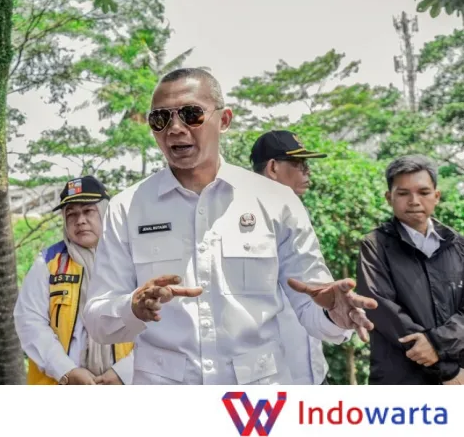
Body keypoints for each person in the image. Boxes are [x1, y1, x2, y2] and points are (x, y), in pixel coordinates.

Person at [83, 68, 376, 385]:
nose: (175, 128)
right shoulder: (126, 208)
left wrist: (334, 312)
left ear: (224, 120)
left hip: (256, 399)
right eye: (160, 119)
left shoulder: (276, 201)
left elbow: (311, 305)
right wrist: (133, 306)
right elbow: (98, 321)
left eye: (191, 114)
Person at [15, 175, 134, 385]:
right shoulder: (48, 263)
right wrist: (66, 371)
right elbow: (29, 321)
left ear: (106, 212)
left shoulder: (132, 260)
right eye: (71, 214)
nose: (80, 220)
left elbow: (160, 324)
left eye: (88, 211)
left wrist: (123, 372)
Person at [356, 155, 464, 385]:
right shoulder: (375, 246)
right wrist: (447, 369)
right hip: (402, 380)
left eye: (424, 192)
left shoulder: (458, 245)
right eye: (403, 193)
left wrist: (439, 345)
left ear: (436, 196)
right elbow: (382, 310)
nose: (414, 201)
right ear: (389, 197)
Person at [250, 130, 329, 384]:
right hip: (272, 378)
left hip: (314, 371)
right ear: (273, 167)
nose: (307, 171)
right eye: (299, 163)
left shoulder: (295, 215)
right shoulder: (244, 222)